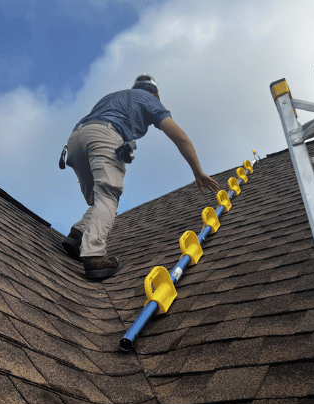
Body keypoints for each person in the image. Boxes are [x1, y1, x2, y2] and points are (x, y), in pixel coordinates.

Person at [60, 74, 220, 280]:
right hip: (104, 137)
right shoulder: (149, 99)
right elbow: (180, 137)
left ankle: (77, 236)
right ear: (156, 94)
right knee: (108, 197)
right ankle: (93, 256)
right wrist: (198, 171)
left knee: (99, 201)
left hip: (75, 140)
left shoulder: (114, 96)